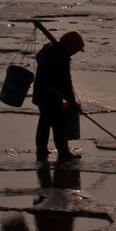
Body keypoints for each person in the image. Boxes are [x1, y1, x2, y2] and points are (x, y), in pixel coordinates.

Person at [32, 31, 85, 161]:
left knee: (45, 121)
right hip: (50, 93)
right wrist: (71, 100)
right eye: (76, 50)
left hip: (40, 89)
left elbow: (38, 57)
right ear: (70, 45)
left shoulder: (48, 47)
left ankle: (42, 151)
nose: (75, 53)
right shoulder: (61, 55)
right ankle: (63, 152)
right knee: (57, 122)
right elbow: (66, 80)